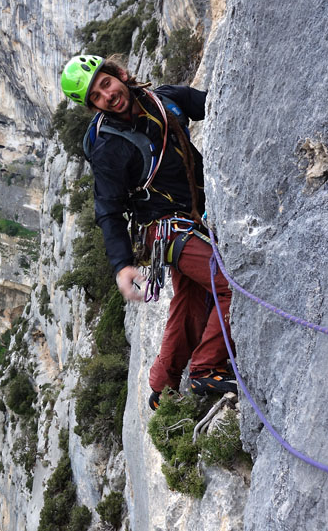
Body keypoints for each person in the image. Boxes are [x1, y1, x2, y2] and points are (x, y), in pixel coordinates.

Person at [59, 54, 236, 410]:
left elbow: (217, 103)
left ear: (119, 74)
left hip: (194, 216)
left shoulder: (165, 99)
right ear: (93, 106)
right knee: (230, 283)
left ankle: (163, 387)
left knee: (191, 300)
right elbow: (107, 209)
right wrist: (121, 265)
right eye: (95, 96)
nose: (107, 95)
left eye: (105, 83)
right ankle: (206, 368)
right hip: (167, 231)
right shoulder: (109, 149)